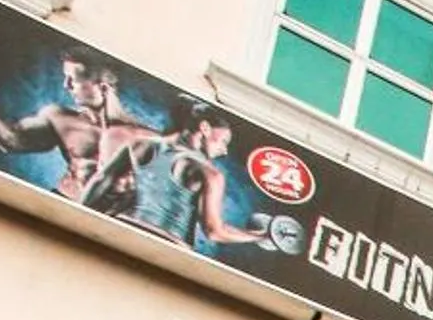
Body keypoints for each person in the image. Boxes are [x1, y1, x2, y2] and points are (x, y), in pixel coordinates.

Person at [0, 49, 156, 210]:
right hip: (63, 203)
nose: (66, 86)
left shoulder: (145, 137)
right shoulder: (60, 118)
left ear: (103, 84)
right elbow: (11, 140)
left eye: (73, 80)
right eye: (65, 78)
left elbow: (152, 195)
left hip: (108, 224)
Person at [91, 101, 303, 255]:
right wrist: (261, 236)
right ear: (204, 128)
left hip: (123, 232)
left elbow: (99, 185)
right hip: (168, 249)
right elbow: (214, 231)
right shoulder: (210, 173)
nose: (224, 150)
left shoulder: (141, 144)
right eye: (223, 141)